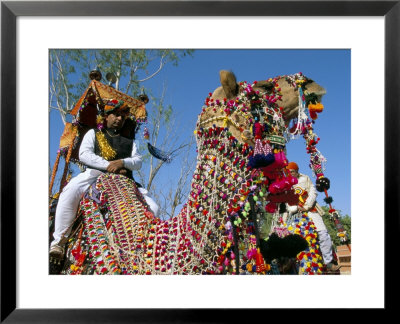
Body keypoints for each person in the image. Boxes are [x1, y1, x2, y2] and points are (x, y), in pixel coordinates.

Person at [50, 99, 159, 258]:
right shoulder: (93, 133)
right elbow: (84, 154)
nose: (119, 119)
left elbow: (138, 161)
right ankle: (59, 242)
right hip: (95, 175)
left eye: (122, 116)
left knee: (154, 207)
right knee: (70, 190)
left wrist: (122, 162)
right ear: (105, 117)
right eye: (115, 114)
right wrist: (108, 165)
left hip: (125, 181)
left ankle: (146, 246)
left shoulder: (130, 142)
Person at [286, 161, 341, 272]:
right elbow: (286, 202)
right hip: (296, 215)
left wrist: (306, 206)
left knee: (323, 234)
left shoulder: (305, 178)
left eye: (292, 171)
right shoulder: (285, 183)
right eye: (288, 172)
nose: (290, 173)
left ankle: (328, 263)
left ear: (297, 171)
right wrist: (296, 208)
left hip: (311, 210)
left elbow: (313, 193)